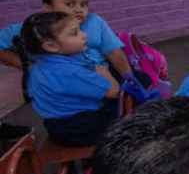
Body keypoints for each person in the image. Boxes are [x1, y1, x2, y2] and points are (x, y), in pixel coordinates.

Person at [13, 11, 120, 146]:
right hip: (82, 129)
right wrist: (105, 73)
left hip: (56, 127)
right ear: (51, 46)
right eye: (74, 33)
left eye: (80, 29)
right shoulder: (70, 72)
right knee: (124, 97)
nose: (84, 35)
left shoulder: (38, 66)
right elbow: (113, 92)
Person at [0, 0, 132, 79]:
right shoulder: (33, 28)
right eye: (70, 4)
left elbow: (114, 52)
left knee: (139, 81)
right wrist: (27, 66)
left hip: (102, 75)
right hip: (60, 83)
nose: (79, 9)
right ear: (47, 8)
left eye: (83, 4)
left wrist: (129, 78)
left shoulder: (94, 21)